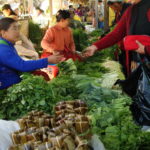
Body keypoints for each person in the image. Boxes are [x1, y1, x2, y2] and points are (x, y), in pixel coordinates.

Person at [83, 0, 150, 76]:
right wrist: (95, 46)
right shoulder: (131, 11)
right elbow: (116, 34)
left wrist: (146, 49)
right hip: (139, 64)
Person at [0, 18, 64, 89]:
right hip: (7, 87)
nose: (18, 32)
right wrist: (47, 60)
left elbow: (19, 64)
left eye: (18, 28)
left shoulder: (7, 45)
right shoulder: (2, 49)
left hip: (14, 83)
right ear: (3, 33)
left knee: (42, 75)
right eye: (14, 28)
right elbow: (22, 65)